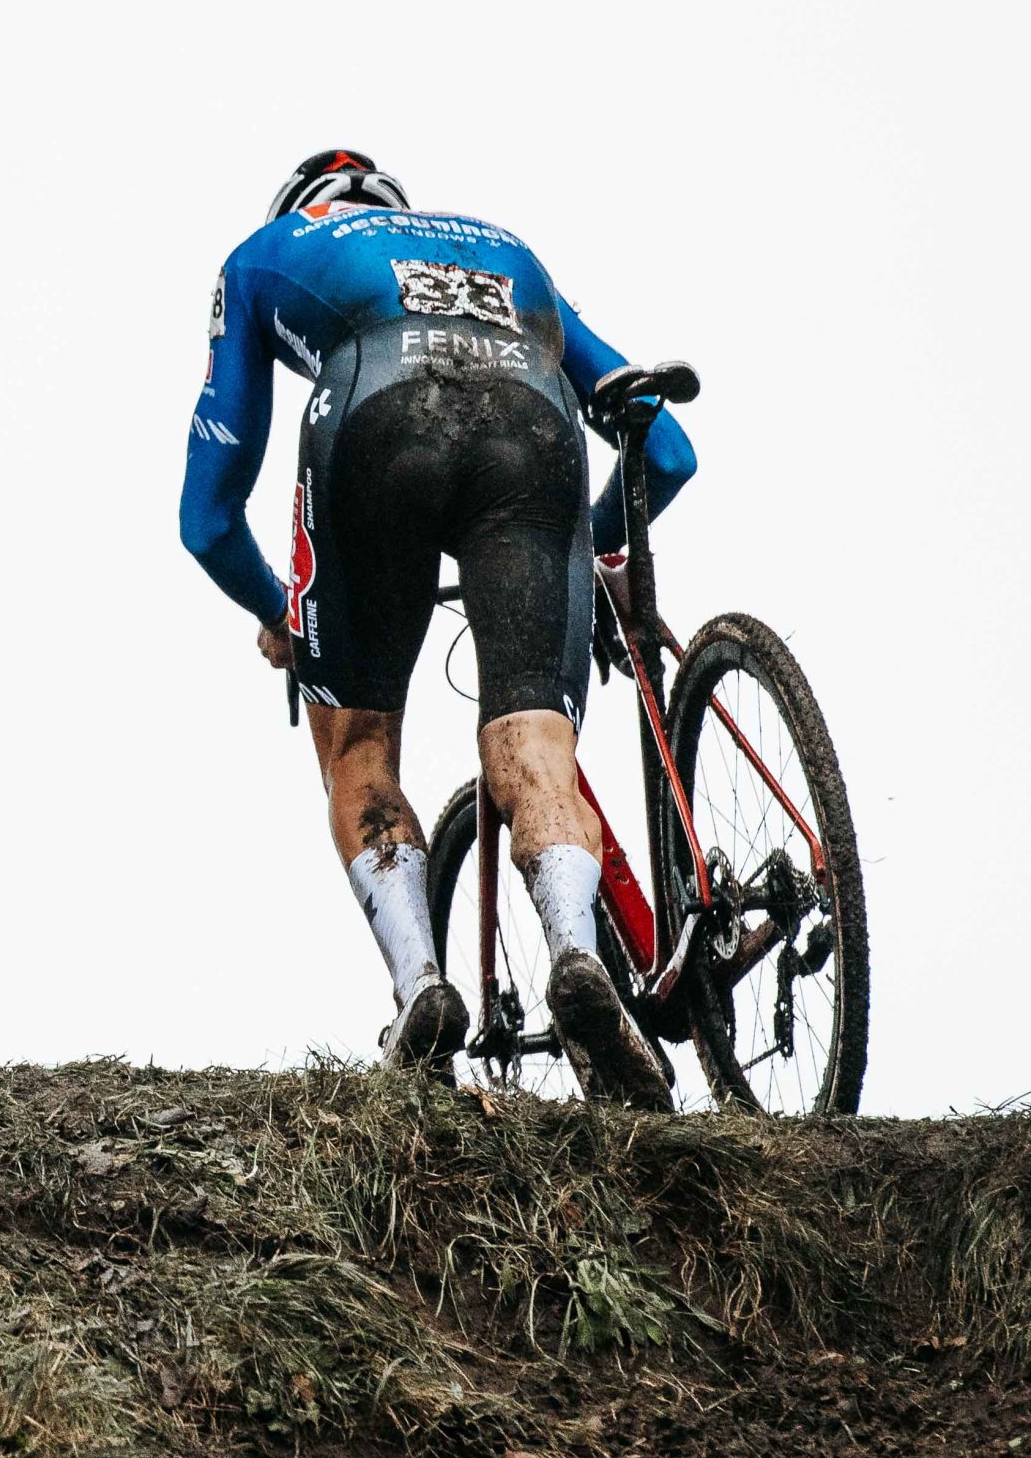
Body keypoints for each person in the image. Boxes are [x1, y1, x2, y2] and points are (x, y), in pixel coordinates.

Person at [179, 150, 696, 1105]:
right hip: (533, 431)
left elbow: (206, 520)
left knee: (360, 747)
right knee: (533, 738)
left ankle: (422, 984)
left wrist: (281, 616)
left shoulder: (264, 255)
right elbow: (665, 448)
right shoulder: (507, 251)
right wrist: (597, 556)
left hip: (374, 422)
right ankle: (578, 955)